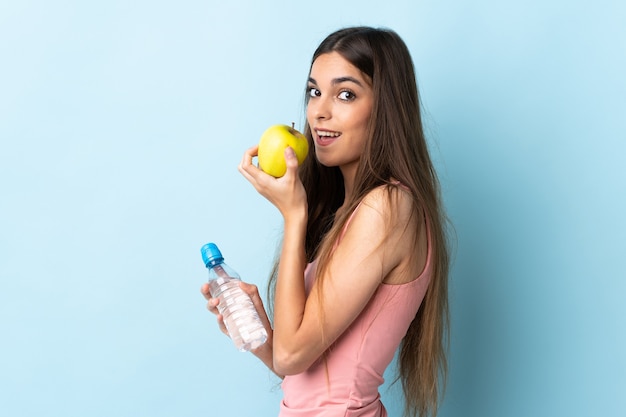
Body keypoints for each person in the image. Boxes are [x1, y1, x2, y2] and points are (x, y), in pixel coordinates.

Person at [201, 26, 450, 417]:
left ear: (385, 107)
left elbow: (293, 357)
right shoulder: (351, 211)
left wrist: (293, 214)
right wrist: (258, 331)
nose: (319, 110)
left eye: (345, 94)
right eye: (314, 91)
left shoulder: (388, 207)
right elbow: (305, 378)